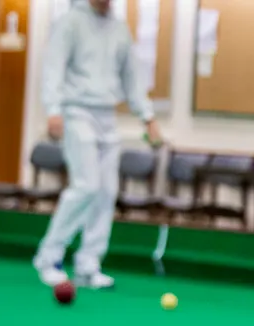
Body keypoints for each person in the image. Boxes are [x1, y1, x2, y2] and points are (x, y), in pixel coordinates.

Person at [32, 0, 162, 288]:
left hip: (107, 115)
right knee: (86, 185)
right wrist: (53, 109)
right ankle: (49, 257)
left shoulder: (119, 28)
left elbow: (132, 78)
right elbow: (53, 66)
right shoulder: (70, 22)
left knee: (106, 192)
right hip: (76, 111)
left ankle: (88, 265)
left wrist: (148, 116)